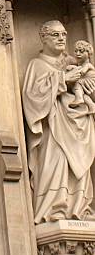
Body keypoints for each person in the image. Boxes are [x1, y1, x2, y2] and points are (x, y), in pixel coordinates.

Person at [23, 20, 95, 223]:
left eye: (64, 34)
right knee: (57, 163)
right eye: (55, 35)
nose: (62, 38)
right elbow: (32, 97)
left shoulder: (75, 62)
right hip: (53, 128)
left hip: (80, 124)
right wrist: (63, 80)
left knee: (80, 167)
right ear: (43, 38)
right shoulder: (36, 65)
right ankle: (55, 209)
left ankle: (80, 208)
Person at [66, 40, 95, 111]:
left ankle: (79, 98)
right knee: (80, 91)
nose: (78, 54)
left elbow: (82, 72)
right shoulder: (79, 65)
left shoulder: (88, 65)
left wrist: (73, 68)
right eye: (76, 51)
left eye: (81, 51)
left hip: (91, 83)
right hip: (85, 85)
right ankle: (91, 105)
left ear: (89, 53)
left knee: (77, 83)